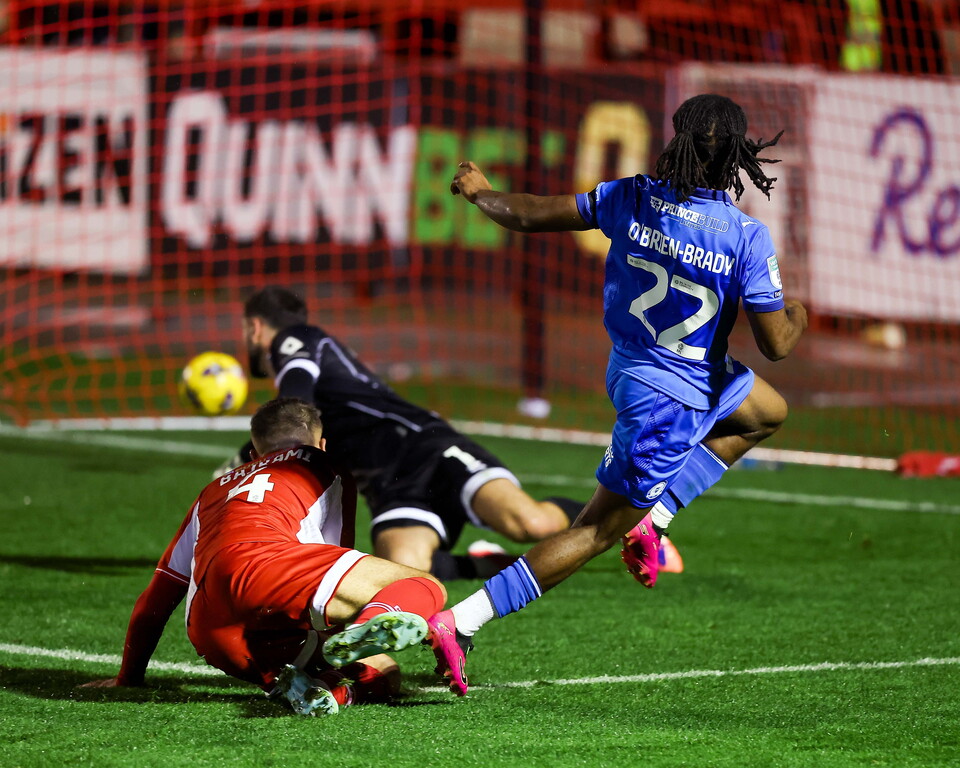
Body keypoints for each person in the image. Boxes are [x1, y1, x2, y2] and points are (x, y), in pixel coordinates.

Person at [426, 94, 809, 695]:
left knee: (765, 413)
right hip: (671, 399)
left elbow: (526, 214)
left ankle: (652, 520)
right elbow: (778, 344)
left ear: (676, 141)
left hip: (640, 368)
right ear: (737, 156)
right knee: (594, 531)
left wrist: (479, 192)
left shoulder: (629, 196)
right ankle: (461, 621)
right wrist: (799, 315)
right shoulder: (745, 236)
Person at [83, 398, 447, 716]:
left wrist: (127, 678)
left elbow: (158, 597)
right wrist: (354, 624)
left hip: (211, 631)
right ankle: (368, 626)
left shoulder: (212, 490)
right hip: (270, 574)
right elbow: (335, 557)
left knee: (351, 667)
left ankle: (330, 690)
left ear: (255, 454)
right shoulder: (323, 463)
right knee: (422, 588)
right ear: (321, 443)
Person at [223, 285, 590, 581]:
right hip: (387, 483)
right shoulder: (308, 350)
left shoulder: (295, 338)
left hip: (424, 447)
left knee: (530, 523)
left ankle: (626, 517)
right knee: (404, 572)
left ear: (254, 327)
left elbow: (292, 406)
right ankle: (490, 563)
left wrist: (243, 461)